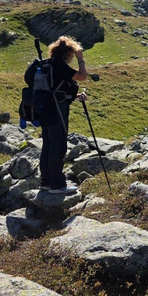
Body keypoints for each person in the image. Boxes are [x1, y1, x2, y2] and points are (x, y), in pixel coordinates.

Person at [40, 36, 89, 194]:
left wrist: (73, 96)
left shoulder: (46, 64)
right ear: (68, 54)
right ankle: (57, 185)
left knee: (48, 144)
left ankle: (46, 182)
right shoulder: (59, 65)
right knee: (58, 145)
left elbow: (54, 88)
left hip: (44, 108)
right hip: (57, 110)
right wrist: (81, 59)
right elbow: (82, 76)